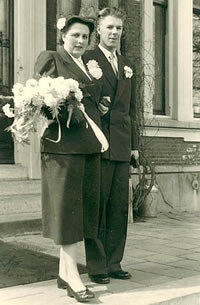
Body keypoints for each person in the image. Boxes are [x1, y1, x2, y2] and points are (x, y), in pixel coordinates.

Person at [34, 15, 108, 302]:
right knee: (68, 214)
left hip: (88, 147)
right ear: (63, 35)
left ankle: (65, 273)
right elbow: (39, 101)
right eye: (75, 35)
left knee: (83, 213)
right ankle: (73, 277)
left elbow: (94, 103)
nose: (80, 41)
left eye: (85, 37)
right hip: (62, 150)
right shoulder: (51, 58)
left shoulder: (88, 66)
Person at [83, 7, 139, 284]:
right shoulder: (87, 59)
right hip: (99, 143)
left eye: (118, 28)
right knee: (98, 206)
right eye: (109, 28)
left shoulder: (128, 64)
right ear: (99, 31)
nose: (114, 32)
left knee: (118, 207)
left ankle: (114, 262)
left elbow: (133, 109)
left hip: (121, 144)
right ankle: (96, 265)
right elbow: (81, 102)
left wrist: (135, 146)